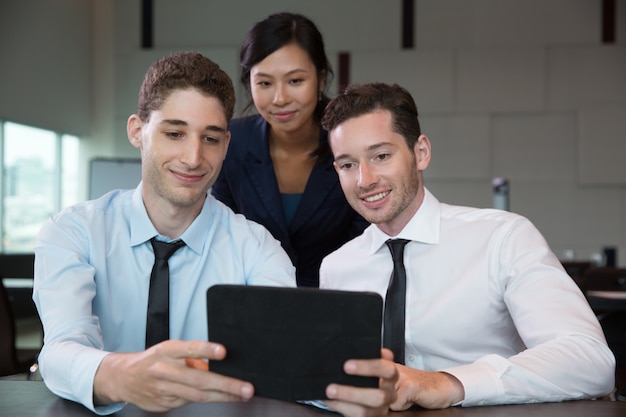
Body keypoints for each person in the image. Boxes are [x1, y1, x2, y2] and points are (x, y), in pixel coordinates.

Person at [32, 52, 397, 416]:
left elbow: (285, 357)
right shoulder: (73, 232)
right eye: (174, 133)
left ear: (226, 144)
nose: (193, 157)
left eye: (210, 138)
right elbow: (61, 348)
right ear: (136, 131)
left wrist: (346, 389)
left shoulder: (257, 248)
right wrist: (121, 376)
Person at [319, 82, 616, 410]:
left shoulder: (503, 238)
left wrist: (447, 383)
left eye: (381, 155)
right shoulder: (337, 267)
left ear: (421, 153)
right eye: (348, 164)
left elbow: (590, 360)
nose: (365, 179)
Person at [211, 12, 368, 287]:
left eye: (295, 81)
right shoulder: (233, 142)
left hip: (338, 303)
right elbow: (223, 237)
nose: (280, 98)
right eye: (265, 83)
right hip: (252, 305)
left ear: (320, 78)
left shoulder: (350, 143)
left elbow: (366, 241)